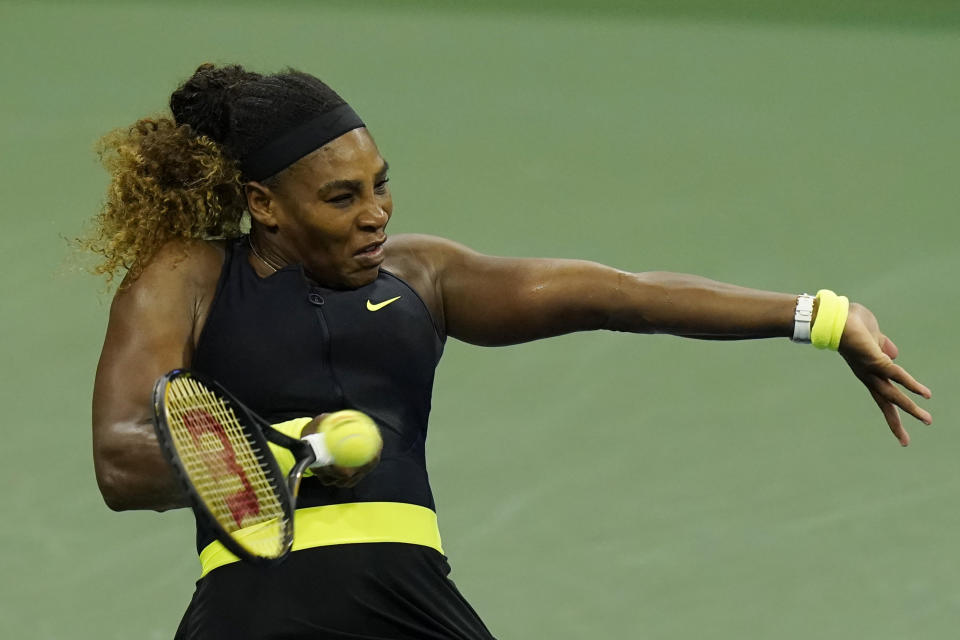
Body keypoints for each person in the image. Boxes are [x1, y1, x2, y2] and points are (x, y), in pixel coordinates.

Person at [87, 63, 932, 640]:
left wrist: (821, 316)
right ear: (262, 204)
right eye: (342, 198)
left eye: (380, 183)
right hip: (254, 611)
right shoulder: (187, 276)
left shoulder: (425, 276)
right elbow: (122, 459)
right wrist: (257, 464)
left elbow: (616, 294)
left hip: (408, 599)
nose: (374, 211)